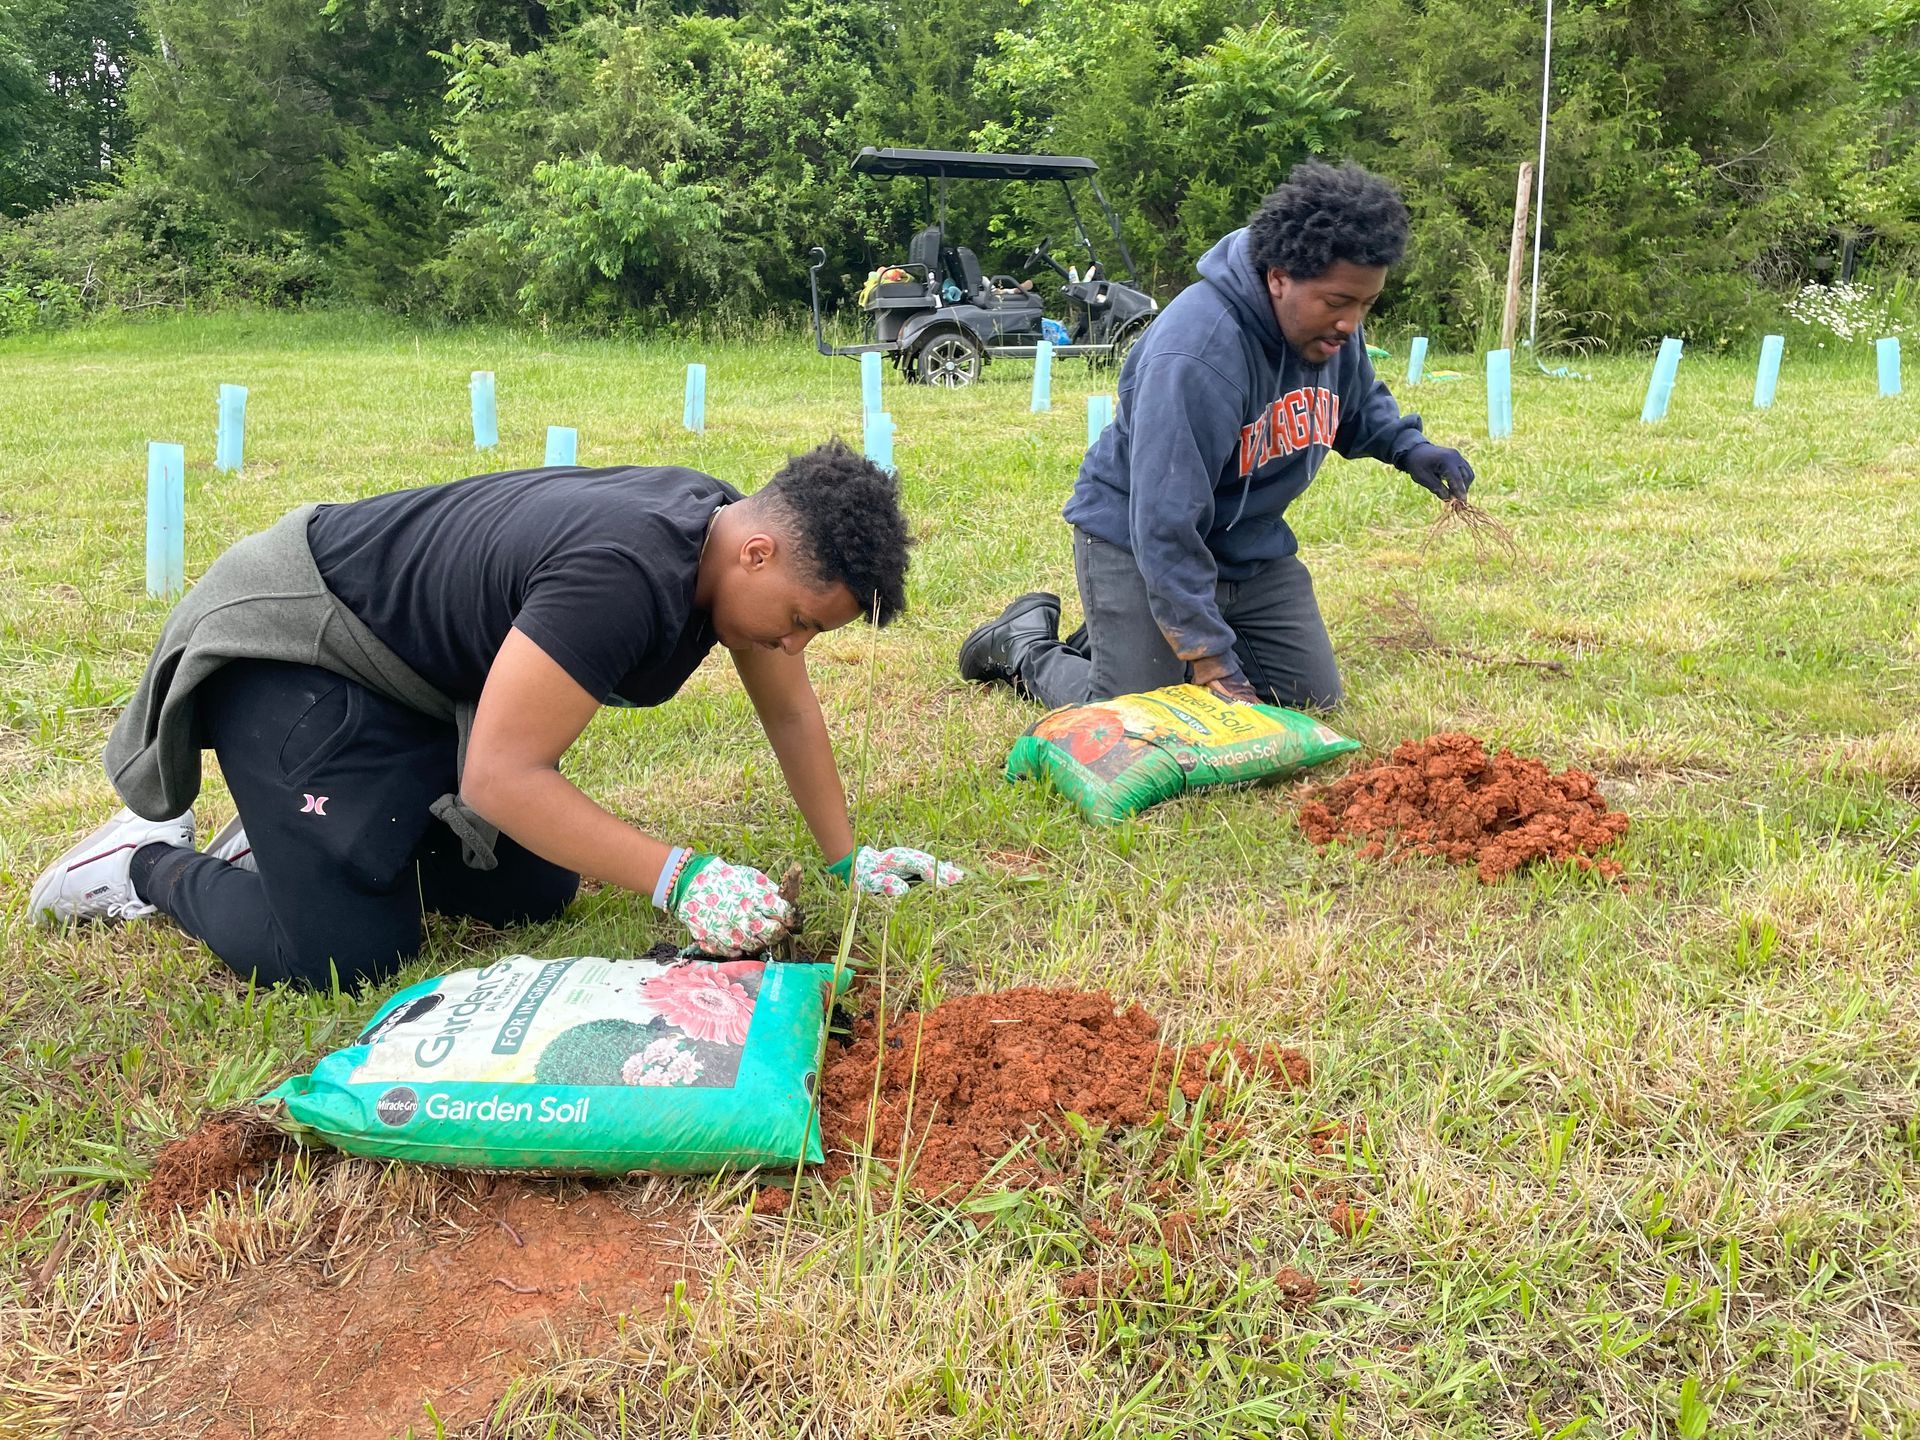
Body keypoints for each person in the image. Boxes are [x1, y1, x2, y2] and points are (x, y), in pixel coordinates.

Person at [30, 442, 962, 985]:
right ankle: (141, 865)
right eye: (799, 622)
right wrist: (680, 878)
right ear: (758, 551)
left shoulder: (723, 538)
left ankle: (288, 833)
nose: (794, 647)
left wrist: (848, 858)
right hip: (303, 647)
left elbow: (791, 716)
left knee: (534, 892)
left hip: (413, 685)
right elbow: (501, 775)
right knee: (345, 957)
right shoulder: (625, 573)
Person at [958, 160, 1474, 711]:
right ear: (1279, 277)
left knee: (1311, 700)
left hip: (1245, 545)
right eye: (1338, 303)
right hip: (1136, 541)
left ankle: (1121, 634)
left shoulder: (1328, 327)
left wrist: (1407, 446)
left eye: (1365, 304)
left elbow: (1353, 401)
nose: (1351, 323)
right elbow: (1165, 521)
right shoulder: (1197, 353)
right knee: (1139, 713)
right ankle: (1023, 643)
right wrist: (1209, 658)